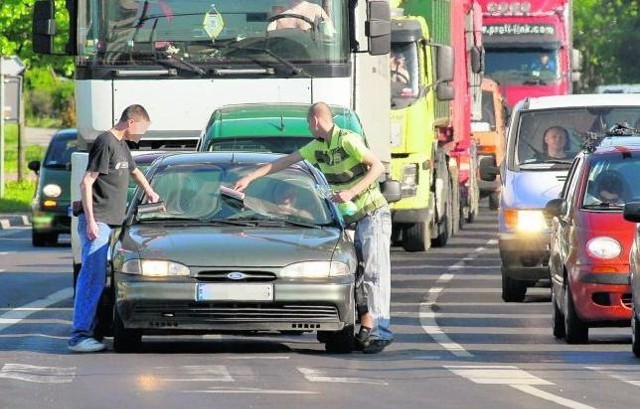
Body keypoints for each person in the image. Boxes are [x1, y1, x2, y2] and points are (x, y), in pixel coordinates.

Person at [234, 102, 393, 353]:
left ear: (317, 121)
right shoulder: (318, 147)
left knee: (375, 272)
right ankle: (366, 329)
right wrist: (250, 177)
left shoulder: (347, 140)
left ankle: (382, 331)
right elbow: (284, 163)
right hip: (350, 217)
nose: (309, 127)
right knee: (358, 274)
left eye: (309, 123)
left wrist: (351, 191)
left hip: (372, 213)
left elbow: (378, 166)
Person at [68, 104, 160, 353]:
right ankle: (79, 336)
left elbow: (135, 171)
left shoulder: (121, 146)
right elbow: (87, 182)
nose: (142, 135)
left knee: (101, 279)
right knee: (92, 278)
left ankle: (91, 332)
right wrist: (89, 221)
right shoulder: (105, 142)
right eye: (142, 129)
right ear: (131, 122)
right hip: (97, 222)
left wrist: (150, 192)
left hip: (111, 223)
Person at [267, 0, 336, 35]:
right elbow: (268, 38)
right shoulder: (276, 12)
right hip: (281, 57)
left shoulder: (316, 9)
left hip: (310, 58)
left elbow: (330, 37)